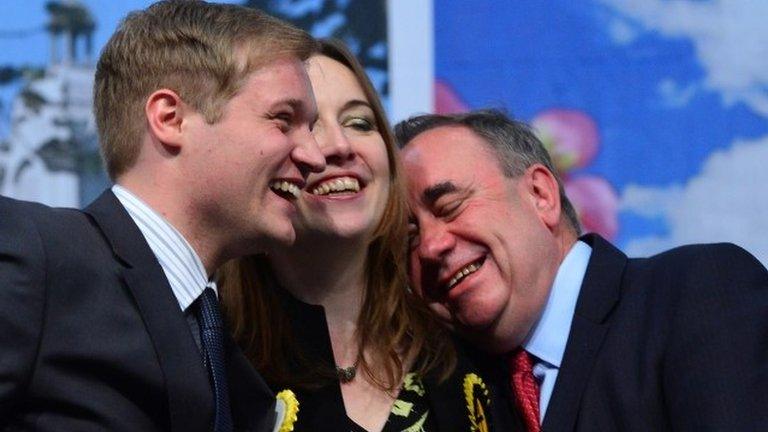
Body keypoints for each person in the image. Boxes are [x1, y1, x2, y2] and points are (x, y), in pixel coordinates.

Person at [0, 1, 325, 431]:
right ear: (170, 119)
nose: (315, 157)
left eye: (311, 129)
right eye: (284, 121)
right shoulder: (36, 254)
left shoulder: (235, 359)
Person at [396, 109, 768, 431]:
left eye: (449, 205)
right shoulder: (443, 399)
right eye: (407, 235)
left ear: (540, 195)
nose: (430, 246)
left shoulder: (697, 294)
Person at [220, 41, 513, 432]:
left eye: (359, 123)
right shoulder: (212, 363)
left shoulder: (467, 352)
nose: (339, 147)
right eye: (303, 126)